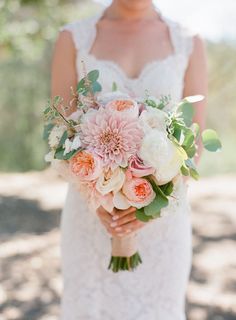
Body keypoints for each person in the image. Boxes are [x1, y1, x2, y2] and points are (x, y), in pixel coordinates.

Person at [51, 0, 207, 319]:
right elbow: (61, 135)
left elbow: (195, 142)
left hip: (164, 221)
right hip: (90, 216)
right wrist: (100, 199)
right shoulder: (73, 38)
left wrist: (152, 207)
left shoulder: (189, 42)